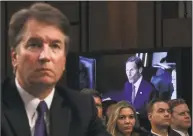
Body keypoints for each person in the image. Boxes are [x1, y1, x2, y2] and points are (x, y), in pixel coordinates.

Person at [2, 2, 111, 136]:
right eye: (34, 45)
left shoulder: (82, 108)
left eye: (55, 46)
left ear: (64, 61)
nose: (45, 56)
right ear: (14, 57)